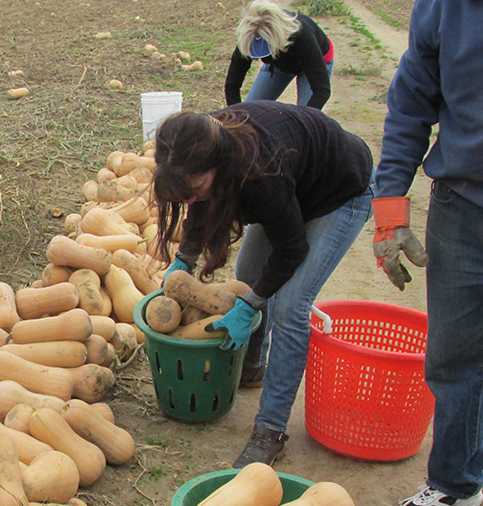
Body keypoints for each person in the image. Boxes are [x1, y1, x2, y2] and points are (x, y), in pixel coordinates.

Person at [373, 0, 483, 504]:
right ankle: (455, 488)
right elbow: (408, 110)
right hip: (463, 213)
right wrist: (390, 213)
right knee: (455, 364)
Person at [153, 101, 373, 467]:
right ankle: (253, 366)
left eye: (196, 187)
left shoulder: (259, 175)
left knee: (290, 307)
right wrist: (184, 261)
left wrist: (250, 305)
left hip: (339, 193)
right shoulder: (197, 148)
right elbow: (199, 205)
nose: (191, 198)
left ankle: (270, 430)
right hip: (294, 186)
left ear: (219, 166)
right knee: (249, 271)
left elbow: (291, 248)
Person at [224, 0, 335, 110]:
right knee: (252, 110)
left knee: (305, 114)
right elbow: (232, 85)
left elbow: (321, 90)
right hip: (279, 65)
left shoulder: (302, 35)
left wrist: (305, 119)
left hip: (316, 60)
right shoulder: (249, 38)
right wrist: (236, 116)